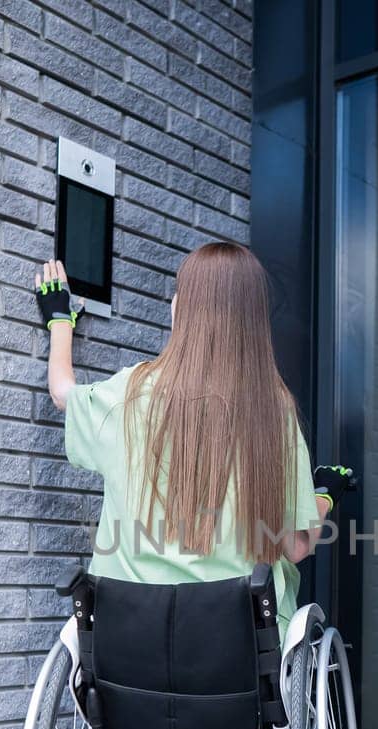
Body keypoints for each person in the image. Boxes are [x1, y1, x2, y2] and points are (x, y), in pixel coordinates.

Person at [33, 243, 350, 639]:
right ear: (253, 321)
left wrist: (60, 319)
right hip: (235, 661)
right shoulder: (274, 414)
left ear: (179, 309)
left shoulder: (130, 394)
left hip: (126, 652)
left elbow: (63, 392)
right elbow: (296, 546)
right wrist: (323, 494)